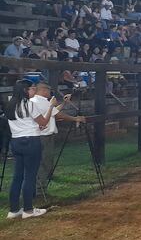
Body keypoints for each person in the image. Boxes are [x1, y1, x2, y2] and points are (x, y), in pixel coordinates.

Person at [5, 80, 57, 219]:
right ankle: (28, 209)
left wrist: (35, 126)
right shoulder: (29, 104)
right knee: (29, 176)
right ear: (25, 90)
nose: (34, 91)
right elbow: (44, 122)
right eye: (32, 89)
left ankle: (14, 209)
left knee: (17, 176)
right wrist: (51, 107)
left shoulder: (10, 105)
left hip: (16, 141)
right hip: (31, 142)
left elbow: (24, 123)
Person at [30, 82, 85, 190]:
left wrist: (64, 103)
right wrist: (75, 119)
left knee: (43, 160)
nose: (50, 93)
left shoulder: (35, 101)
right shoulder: (42, 101)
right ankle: (40, 187)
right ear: (43, 90)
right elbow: (58, 115)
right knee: (45, 161)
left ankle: (39, 185)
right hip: (44, 135)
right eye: (48, 90)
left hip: (38, 135)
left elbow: (53, 112)